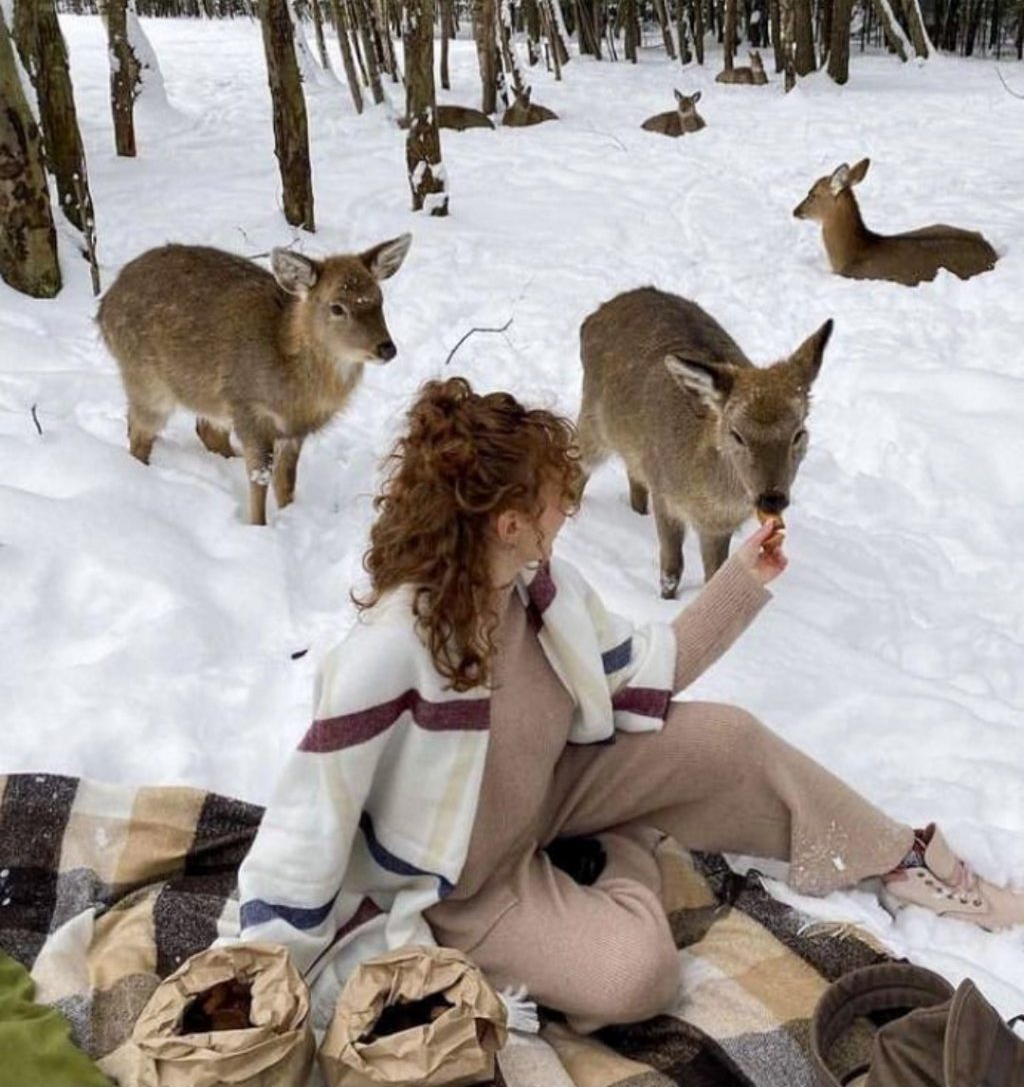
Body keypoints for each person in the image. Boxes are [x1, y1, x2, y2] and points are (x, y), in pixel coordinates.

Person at [236, 377, 1024, 1030]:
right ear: (509, 522)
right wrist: (259, 970)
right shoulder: (391, 648)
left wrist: (743, 579)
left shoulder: (537, 591)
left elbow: (652, 664)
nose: (567, 509)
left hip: (555, 790)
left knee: (730, 739)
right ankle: (625, 847)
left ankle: (896, 855)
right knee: (635, 980)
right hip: (468, 886)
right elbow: (309, 817)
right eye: (553, 501)